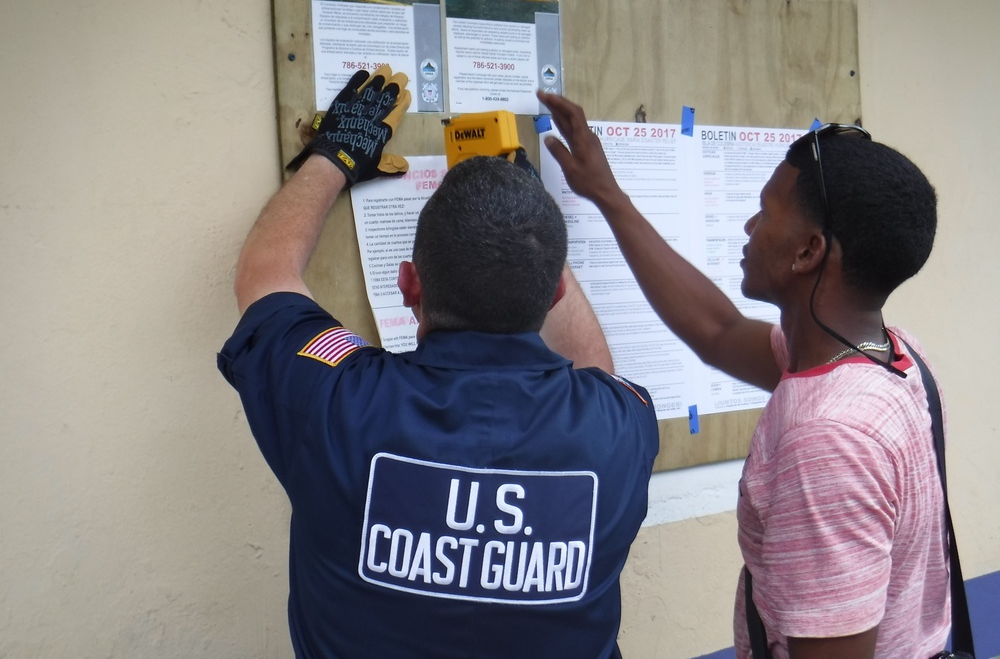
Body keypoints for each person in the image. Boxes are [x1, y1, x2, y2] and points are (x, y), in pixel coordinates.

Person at [217, 67, 659, 659]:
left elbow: (266, 273)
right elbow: (592, 371)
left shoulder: (340, 403)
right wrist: (527, 233)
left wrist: (336, 153)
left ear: (409, 284)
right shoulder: (620, 427)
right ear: (555, 291)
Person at [537, 90, 950, 659]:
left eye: (766, 211)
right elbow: (718, 330)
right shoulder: (895, 357)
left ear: (808, 252)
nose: (751, 225)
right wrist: (608, 195)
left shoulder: (828, 438)